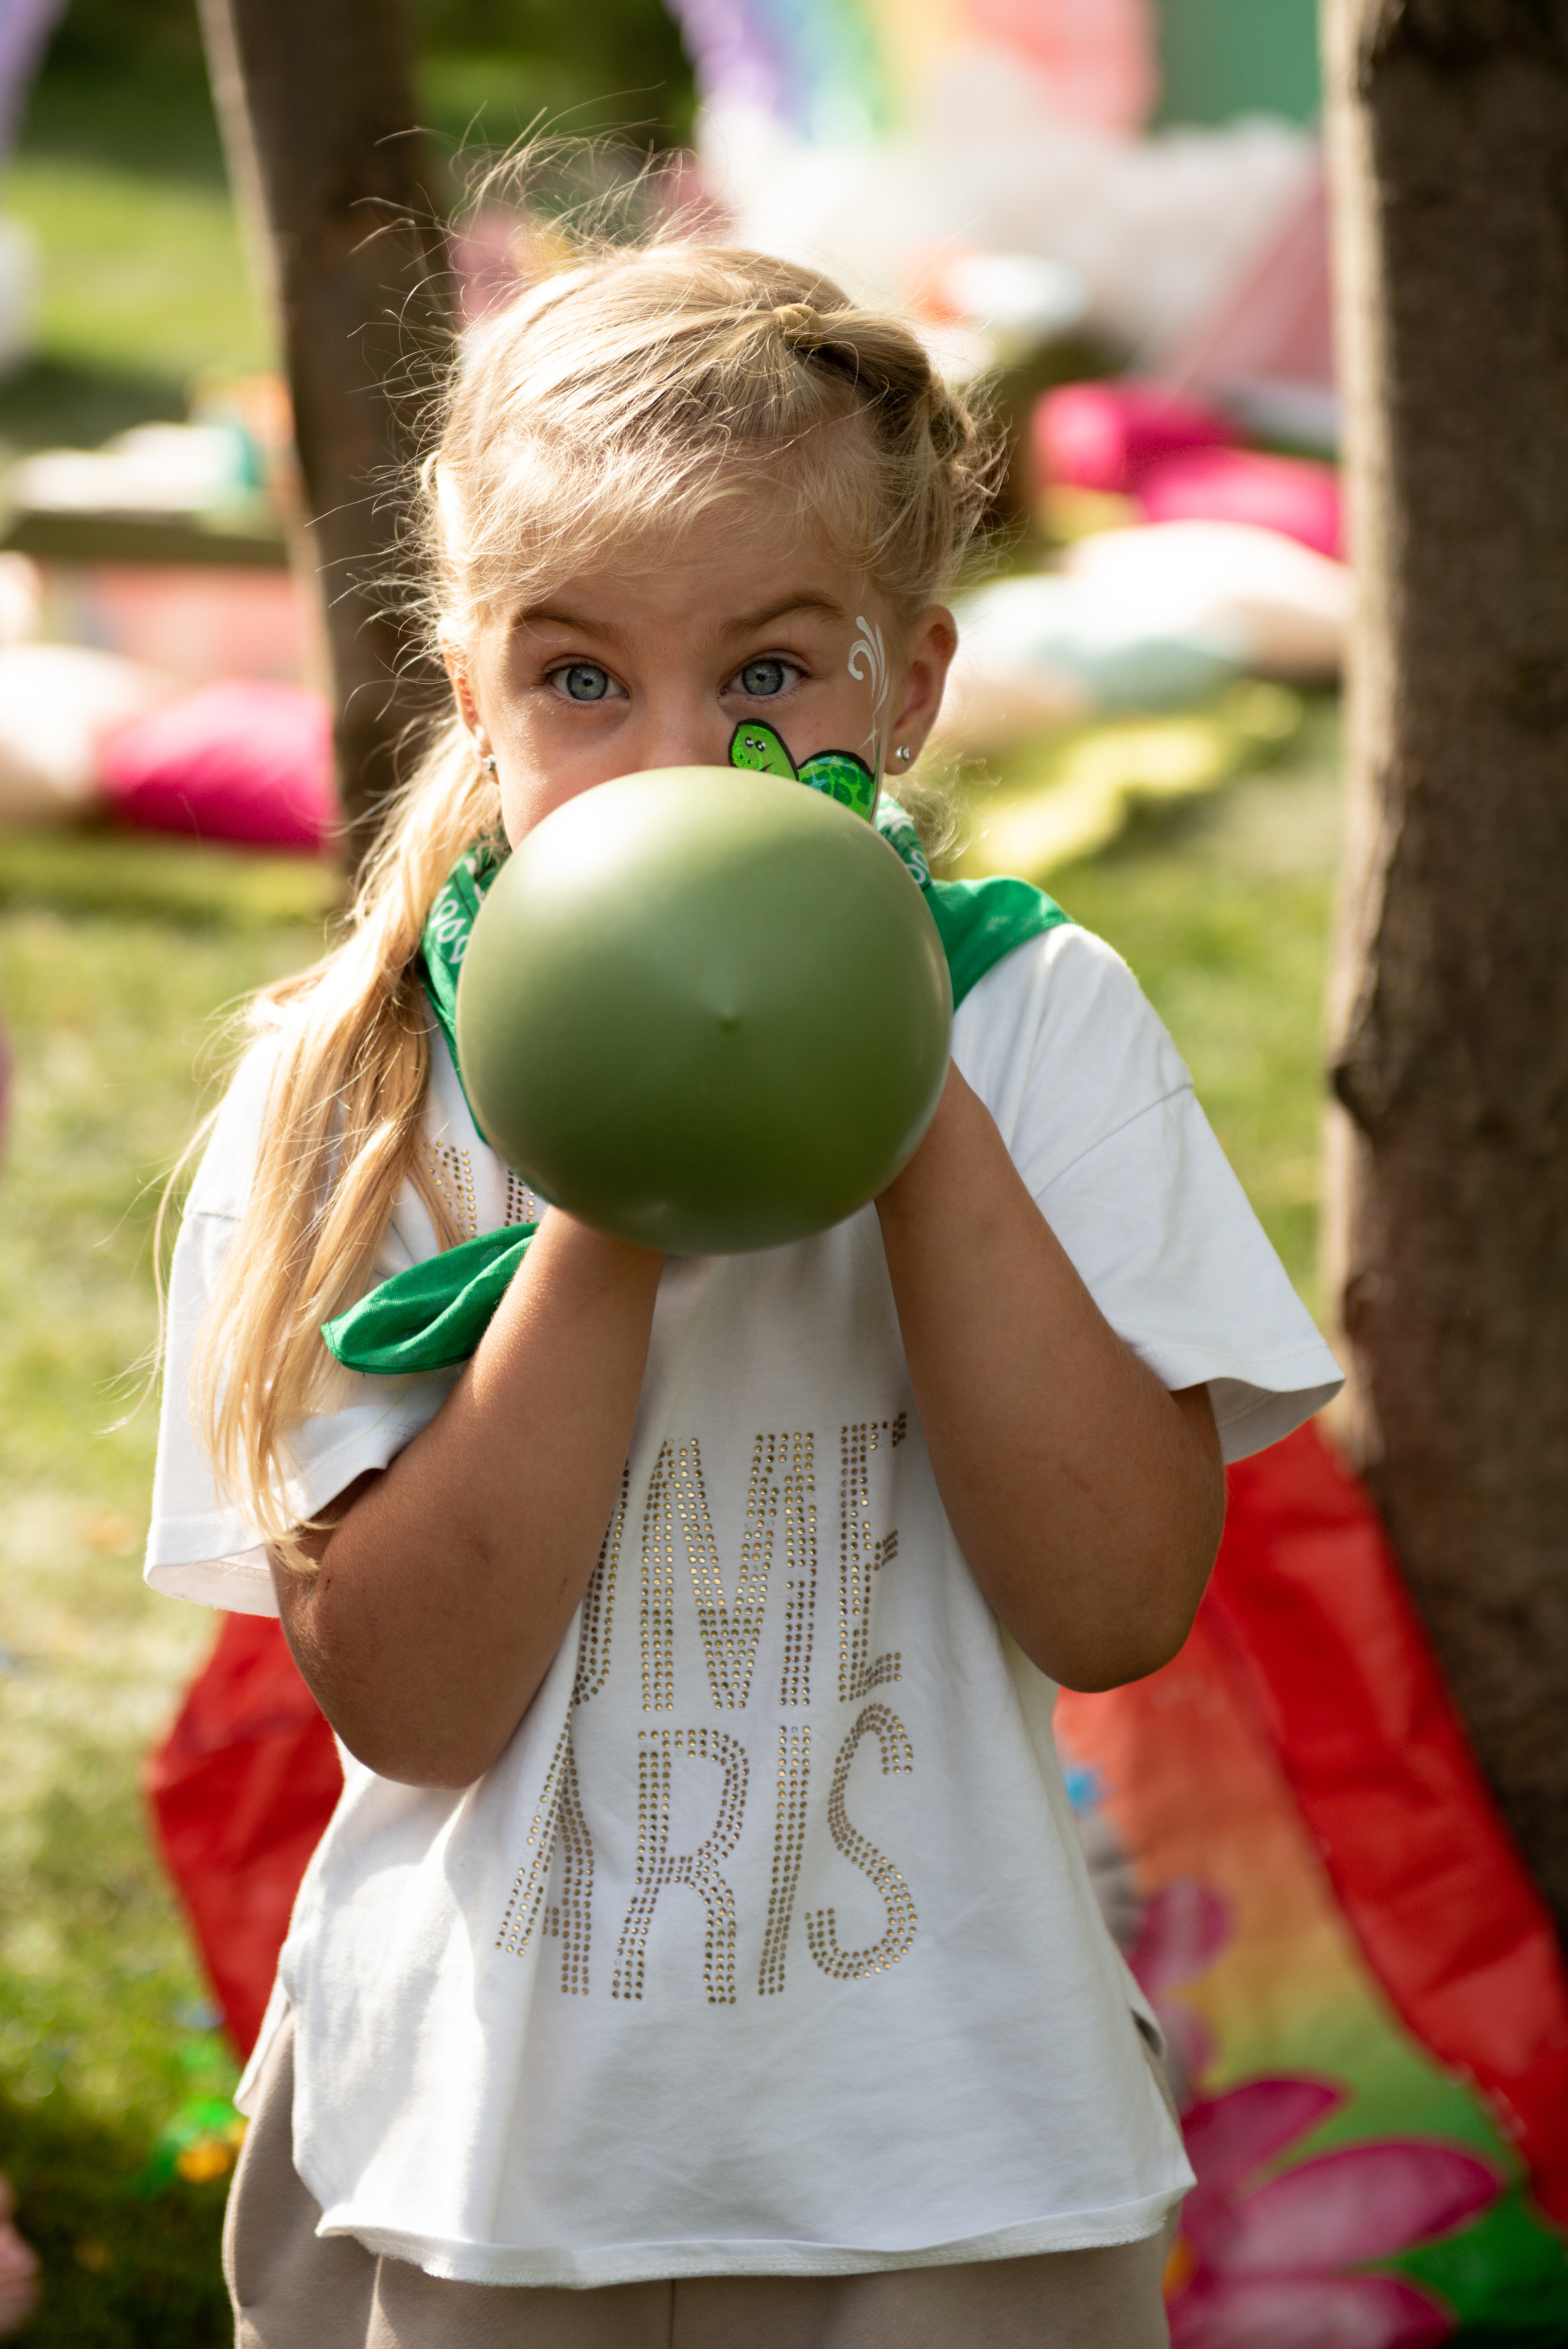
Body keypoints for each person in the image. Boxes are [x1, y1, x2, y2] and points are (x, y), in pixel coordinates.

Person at [145, 241, 1342, 2348]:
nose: (680, 765)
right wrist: (613, 1180)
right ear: (475, 680)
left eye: (770, 676)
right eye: (583, 681)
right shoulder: (354, 1089)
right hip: (483, 2160)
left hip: (951, 2157)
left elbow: (1115, 1598)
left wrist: (893, 1078)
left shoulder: (1037, 1026)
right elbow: (411, 1704)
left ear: (910, 684)